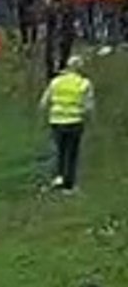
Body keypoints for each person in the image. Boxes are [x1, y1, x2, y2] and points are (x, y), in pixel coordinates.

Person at [41, 55, 96, 193]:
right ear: (80, 68)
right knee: (71, 154)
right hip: (75, 122)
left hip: (57, 121)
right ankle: (69, 185)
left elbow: (44, 102)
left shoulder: (56, 82)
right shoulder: (84, 84)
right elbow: (89, 106)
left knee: (57, 151)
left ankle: (56, 179)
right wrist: (89, 118)